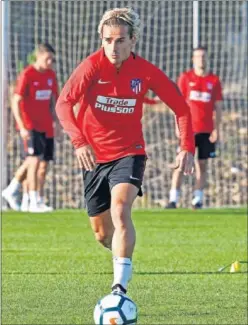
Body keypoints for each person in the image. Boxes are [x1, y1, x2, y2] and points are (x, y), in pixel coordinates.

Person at [55, 7, 195, 295]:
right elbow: (63, 103)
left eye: (120, 40)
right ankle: (119, 251)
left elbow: (180, 108)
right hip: (93, 157)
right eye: (107, 40)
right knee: (102, 233)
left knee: (121, 209)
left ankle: (119, 287)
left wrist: (186, 147)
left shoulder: (145, 71)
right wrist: (79, 141)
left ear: (133, 41)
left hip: (130, 152)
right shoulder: (91, 66)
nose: (113, 47)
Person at [2, 43, 59, 213]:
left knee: (42, 165)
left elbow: (53, 100)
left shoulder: (51, 75)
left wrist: (57, 122)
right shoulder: (27, 74)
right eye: (47, 58)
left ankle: (24, 195)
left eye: (52, 59)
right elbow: (16, 100)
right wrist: (21, 126)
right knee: (33, 160)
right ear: (38, 56)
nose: (50, 62)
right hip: (30, 125)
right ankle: (33, 200)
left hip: (46, 125)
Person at [166, 46, 223, 209]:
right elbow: (177, 103)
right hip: (188, 130)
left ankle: (197, 199)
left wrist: (217, 129)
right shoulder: (185, 78)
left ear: (207, 58)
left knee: (202, 164)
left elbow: (218, 107)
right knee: (181, 163)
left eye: (204, 56)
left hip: (206, 130)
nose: (201, 59)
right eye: (198, 57)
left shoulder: (214, 81)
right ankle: (173, 199)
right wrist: (178, 126)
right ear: (193, 59)